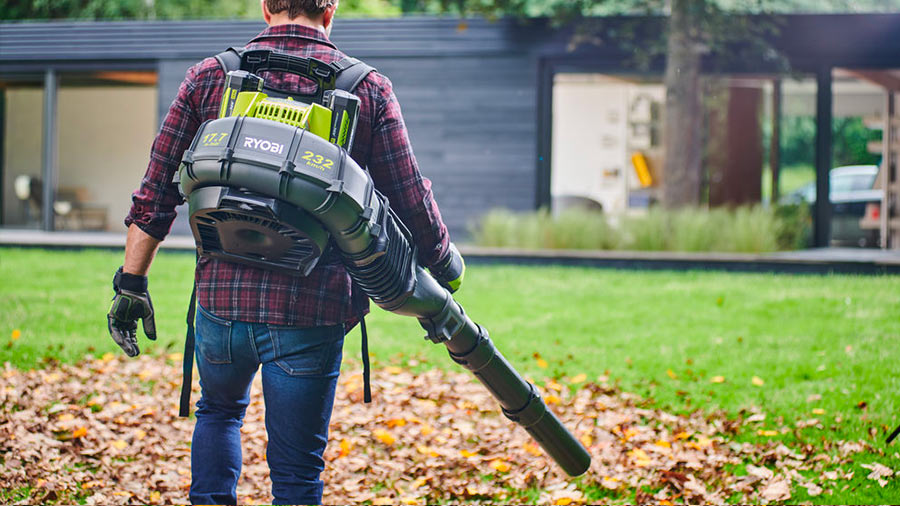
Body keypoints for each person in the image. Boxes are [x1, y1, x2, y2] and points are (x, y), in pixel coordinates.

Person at [106, 1, 462, 503]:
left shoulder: (209, 77)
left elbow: (155, 194)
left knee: (219, 412)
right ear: (331, 9)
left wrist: (131, 285)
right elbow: (409, 197)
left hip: (221, 304)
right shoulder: (365, 88)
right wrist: (444, 265)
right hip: (310, 309)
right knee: (296, 473)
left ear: (266, 6)